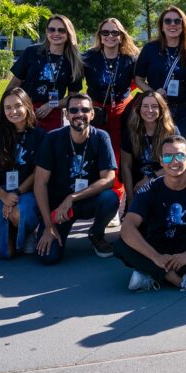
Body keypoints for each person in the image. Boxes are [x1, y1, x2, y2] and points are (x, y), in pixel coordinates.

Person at [113, 136, 186, 292]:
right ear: (161, 161)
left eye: (179, 156)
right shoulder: (149, 189)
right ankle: (179, 280)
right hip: (157, 246)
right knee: (120, 246)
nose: (174, 161)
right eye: (167, 157)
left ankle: (151, 274)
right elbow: (127, 227)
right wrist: (155, 257)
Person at [32, 93, 119, 264]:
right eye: (73, 110)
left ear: (92, 114)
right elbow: (40, 183)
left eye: (85, 110)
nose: (79, 114)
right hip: (60, 208)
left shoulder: (101, 137)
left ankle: (96, 234)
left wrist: (72, 197)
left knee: (110, 198)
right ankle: (45, 229)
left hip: (86, 201)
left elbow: (109, 179)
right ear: (66, 114)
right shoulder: (53, 138)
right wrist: (48, 225)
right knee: (48, 258)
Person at [0, 88, 47, 258]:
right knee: (4, 252)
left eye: (17, 106)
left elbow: (37, 173)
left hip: (25, 191)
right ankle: (14, 231)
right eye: (8, 107)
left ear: (27, 106)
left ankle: (27, 230)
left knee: (18, 214)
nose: (13, 111)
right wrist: (3, 196)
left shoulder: (39, 135)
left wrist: (15, 194)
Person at [82, 18, 138, 208]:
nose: (110, 36)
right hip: (96, 112)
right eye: (105, 32)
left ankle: (116, 199)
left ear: (122, 36)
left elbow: (136, 82)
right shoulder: (89, 57)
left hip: (122, 112)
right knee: (95, 153)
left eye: (115, 32)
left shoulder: (130, 58)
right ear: (100, 36)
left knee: (119, 156)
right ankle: (94, 196)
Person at [8, 14, 84, 131]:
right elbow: (14, 84)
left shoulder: (74, 61)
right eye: (52, 29)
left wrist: (51, 105)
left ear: (69, 33)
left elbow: (73, 97)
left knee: (50, 143)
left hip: (53, 114)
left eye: (61, 30)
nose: (56, 33)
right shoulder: (32, 52)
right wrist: (1, 111)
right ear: (47, 31)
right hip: (24, 111)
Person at [134, 5, 186, 135]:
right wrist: (154, 94)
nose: (172, 24)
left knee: (181, 145)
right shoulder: (150, 49)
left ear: (183, 25)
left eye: (177, 21)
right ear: (162, 26)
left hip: (183, 111)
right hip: (157, 110)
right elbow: (138, 79)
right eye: (167, 21)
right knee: (158, 144)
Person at [120, 90, 177, 206]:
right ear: (139, 109)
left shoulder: (172, 132)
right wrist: (130, 198)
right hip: (138, 188)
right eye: (145, 106)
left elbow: (176, 163)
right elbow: (126, 167)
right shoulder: (130, 132)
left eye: (154, 106)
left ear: (161, 109)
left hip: (165, 185)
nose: (150, 110)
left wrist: (151, 178)